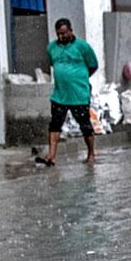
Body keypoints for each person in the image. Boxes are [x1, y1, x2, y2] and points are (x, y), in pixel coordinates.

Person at [36, 18, 98, 166]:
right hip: (60, 94)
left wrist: (79, 77)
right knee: (55, 124)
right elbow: (53, 64)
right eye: (59, 34)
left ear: (71, 31)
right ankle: (52, 155)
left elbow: (93, 65)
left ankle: (91, 153)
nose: (62, 37)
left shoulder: (82, 47)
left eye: (64, 33)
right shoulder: (52, 48)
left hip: (79, 94)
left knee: (85, 125)